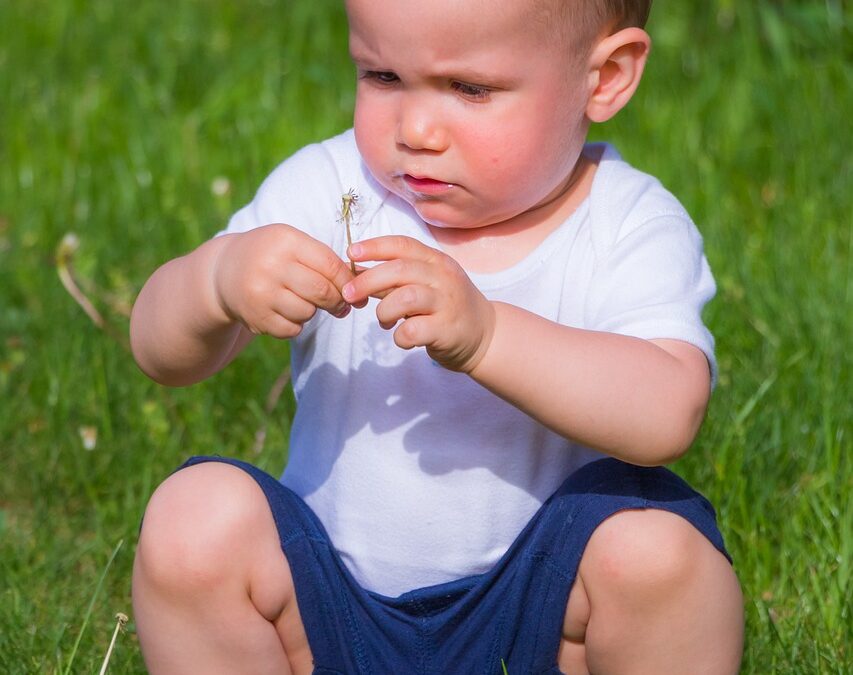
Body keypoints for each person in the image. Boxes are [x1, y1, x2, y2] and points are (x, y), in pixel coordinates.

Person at [129, 0, 744, 672]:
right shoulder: (335, 190)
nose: (415, 128)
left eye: (469, 89)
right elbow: (160, 352)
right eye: (382, 75)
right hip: (330, 606)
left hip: (540, 610)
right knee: (193, 517)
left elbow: (665, 410)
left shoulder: (624, 222)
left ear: (604, 78)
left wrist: (486, 337)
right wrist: (217, 282)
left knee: (658, 552)